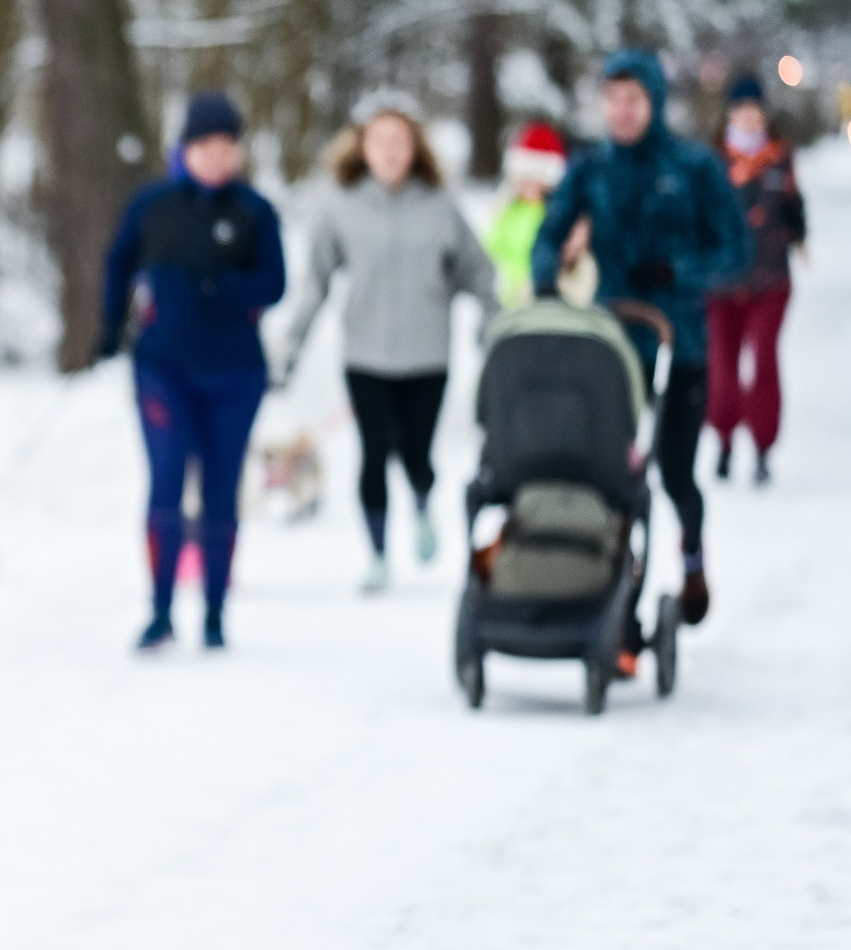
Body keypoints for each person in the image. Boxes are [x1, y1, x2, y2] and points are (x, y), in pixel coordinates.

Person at [531, 48, 749, 630]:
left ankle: (693, 557)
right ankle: (613, 600)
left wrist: (682, 271)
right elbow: (548, 234)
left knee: (675, 470)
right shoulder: (591, 170)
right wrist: (548, 273)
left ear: (654, 102)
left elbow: (735, 251)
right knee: (612, 475)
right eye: (612, 100)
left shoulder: (694, 168)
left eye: (634, 100)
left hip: (683, 345)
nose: (622, 112)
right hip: (612, 348)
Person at [96, 91, 287, 650]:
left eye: (227, 145)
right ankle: (159, 609)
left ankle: (215, 612)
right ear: (185, 148)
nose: (216, 156)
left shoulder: (254, 211)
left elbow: (275, 284)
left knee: (222, 493)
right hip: (164, 370)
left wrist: (221, 286)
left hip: (235, 376)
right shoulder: (152, 205)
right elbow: (117, 262)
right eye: (205, 145)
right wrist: (110, 329)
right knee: (165, 485)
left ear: (240, 151)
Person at [278, 101, 496, 591]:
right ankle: (377, 555)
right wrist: (289, 350)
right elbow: (315, 284)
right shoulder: (341, 207)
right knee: (374, 452)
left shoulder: (440, 206)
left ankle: (421, 503)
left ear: (415, 149)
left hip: (428, 357)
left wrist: (492, 325)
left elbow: (479, 274)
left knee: (416, 454)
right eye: (381, 143)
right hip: (365, 357)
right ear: (364, 149)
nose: (391, 153)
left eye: (401, 142)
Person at [706, 73, 807, 486]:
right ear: (731, 113)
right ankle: (726, 438)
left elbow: (794, 202)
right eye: (741, 109)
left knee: (764, 360)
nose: (749, 116)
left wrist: (799, 235)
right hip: (721, 282)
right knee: (722, 367)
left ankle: (763, 445)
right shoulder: (712, 160)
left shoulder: (779, 157)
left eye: (755, 108)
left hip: (770, 279)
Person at [485, 120, 569, 309]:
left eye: (538, 175)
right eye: (525, 175)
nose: (530, 183)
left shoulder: (557, 213)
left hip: (546, 300)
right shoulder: (509, 209)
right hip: (509, 301)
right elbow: (493, 250)